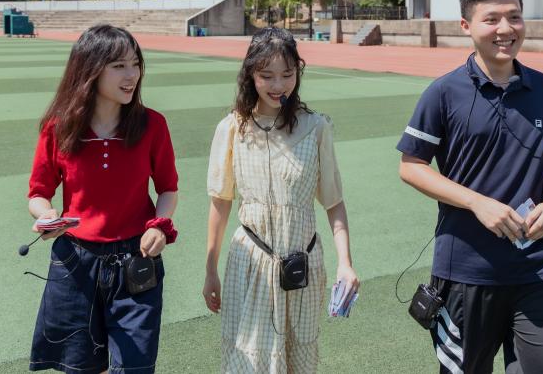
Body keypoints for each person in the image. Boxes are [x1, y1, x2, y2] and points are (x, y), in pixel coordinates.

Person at [397, 0, 543, 374]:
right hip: (466, 272)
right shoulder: (444, 92)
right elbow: (411, 166)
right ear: (466, 26)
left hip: (538, 267)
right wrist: (477, 203)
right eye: (492, 19)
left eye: (514, 17)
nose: (506, 28)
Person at [203, 27, 359, 373]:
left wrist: (345, 263)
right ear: (250, 75)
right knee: (247, 361)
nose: (278, 85)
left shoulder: (316, 127)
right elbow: (221, 202)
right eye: (267, 75)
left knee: (299, 360)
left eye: (287, 74)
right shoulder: (232, 128)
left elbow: (334, 202)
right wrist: (210, 270)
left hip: (302, 264)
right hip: (250, 264)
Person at [26, 24, 179, 373]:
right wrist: (46, 215)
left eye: (135, 64)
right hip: (74, 263)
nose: (132, 75)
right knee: (79, 367)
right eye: (119, 66)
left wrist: (159, 225)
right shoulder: (58, 128)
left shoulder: (153, 125)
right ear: (90, 70)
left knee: (134, 367)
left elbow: (168, 188)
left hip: (136, 261)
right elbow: (38, 193)